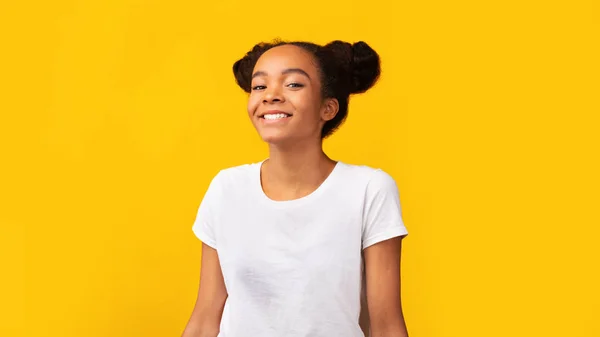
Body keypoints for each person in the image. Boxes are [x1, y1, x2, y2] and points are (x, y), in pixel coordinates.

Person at [182, 39, 409, 337]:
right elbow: (204, 317)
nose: (271, 96)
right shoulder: (226, 189)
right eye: (259, 86)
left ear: (327, 108)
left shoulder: (368, 190)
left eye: (293, 84)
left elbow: (385, 325)